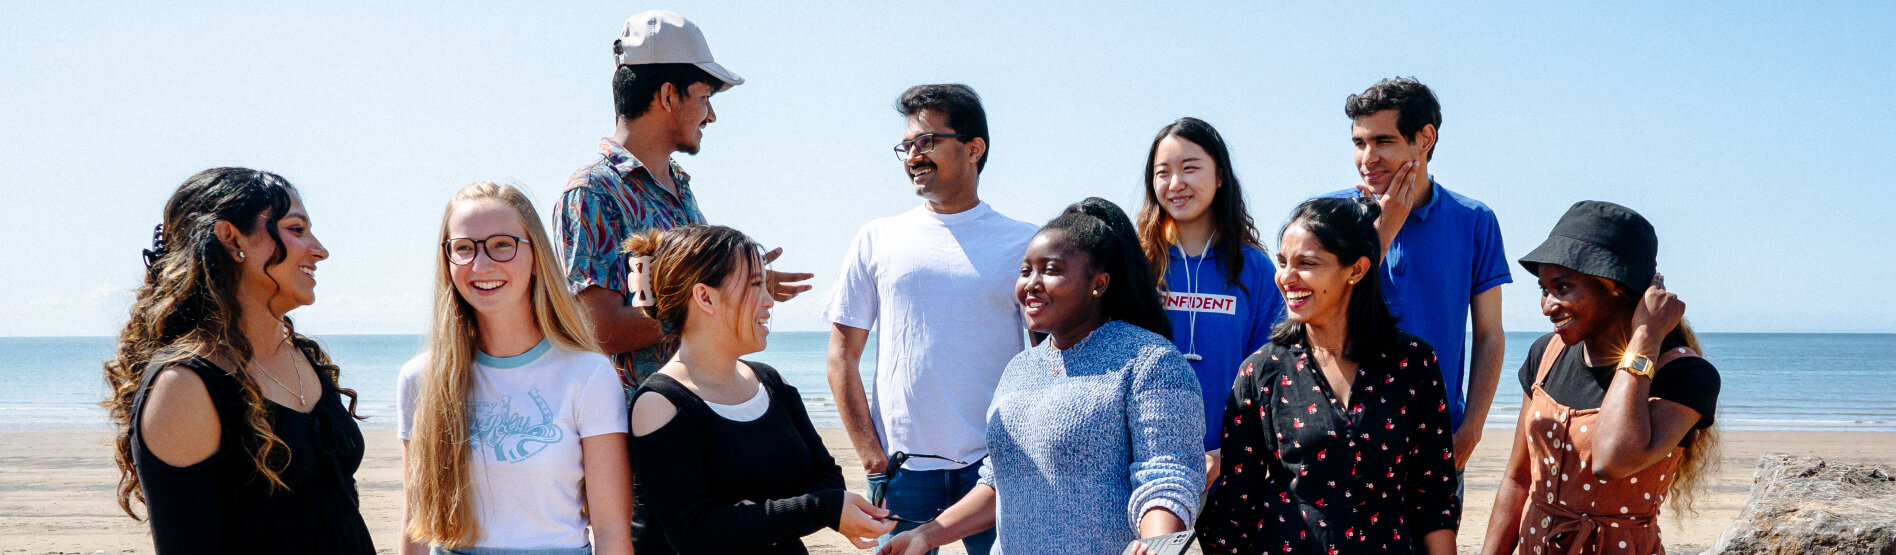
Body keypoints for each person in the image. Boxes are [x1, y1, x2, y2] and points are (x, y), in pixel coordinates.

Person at [878, 198, 1204, 555]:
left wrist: (1155, 545)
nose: (1031, 284)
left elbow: (1165, 476)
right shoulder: (1020, 368)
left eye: (1050, 269)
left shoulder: (1149, 360)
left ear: (1099, 283)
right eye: (1025, 271)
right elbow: (1000, 482)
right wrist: (927, 535)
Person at [104, 167, 373, 553]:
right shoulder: (186, 386)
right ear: (231, 239)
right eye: (296, 230)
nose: (319, 250)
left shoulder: (305, 359)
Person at [823, 83, 1037, 554]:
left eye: (927, 142)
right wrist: (871, 457)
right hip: (901, 471)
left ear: (973, 148)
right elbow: (841, 357)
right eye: (906, 146)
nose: (913, 156)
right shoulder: (877, 238)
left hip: (998, 467)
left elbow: (1049, 359)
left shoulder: (1026, 243)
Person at [554, 9, 810, 397]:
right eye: (705, 97)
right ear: (668, 95)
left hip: (696, 414)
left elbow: (696, 293)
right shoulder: (592, 192)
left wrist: (740, 287)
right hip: (639, 430)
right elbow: (598, 330)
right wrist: (717, 301)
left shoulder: (679, 187)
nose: (711, 115)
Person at [1199, 197, 1459, 555]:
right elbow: (1233, 505)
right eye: (1283, 262)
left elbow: (1434, 497)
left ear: (1356, 270)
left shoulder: (1414, 364)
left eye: (1306, 263)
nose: (1286, 278)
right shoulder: (1261, 372)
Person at [626, 225, 894, 554]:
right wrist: (811, 509)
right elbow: (696, 533)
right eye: (756, 285)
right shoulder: (660, 404)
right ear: (705, 297)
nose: (768, 300)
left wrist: (752, 517)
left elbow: (828, 479)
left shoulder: (771, 383)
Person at [397, 182, 632, 555]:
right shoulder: (420, 379)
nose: (481, 264)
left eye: (502, 244)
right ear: (447, 261)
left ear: (537, 256)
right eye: (463, 248)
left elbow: (611, 532)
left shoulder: (588, 375)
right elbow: (416, 527)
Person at [1481, 201, 1719, 555]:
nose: (1547, 306)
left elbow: (1613, 459)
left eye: (1562, 287)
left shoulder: (1685, 375)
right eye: (1543, 289)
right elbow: (1517, 480)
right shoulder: (1545, 355)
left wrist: (1645, 339)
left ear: (1616, 286)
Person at [1330, 77, 1510, 478]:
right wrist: (1385, 228)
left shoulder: (1474, 221)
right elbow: (1320, 311)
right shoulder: (1328, 216)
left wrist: (1472, 431)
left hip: (1436, 438)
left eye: (1383, 141)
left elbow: (1490, 334)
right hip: (1342, 434)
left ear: (1425, 138)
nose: (1367, 157)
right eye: (1359, 143)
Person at [1136, 117, 1284, 487]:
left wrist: (1229, 453)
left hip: (1232, 468)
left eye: (1190, 168)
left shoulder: (1256, 269)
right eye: (1162, 172)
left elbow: (1272, 378)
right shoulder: (1136, 265)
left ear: (1220, 176)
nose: (1175, 184)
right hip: (1145, 469)